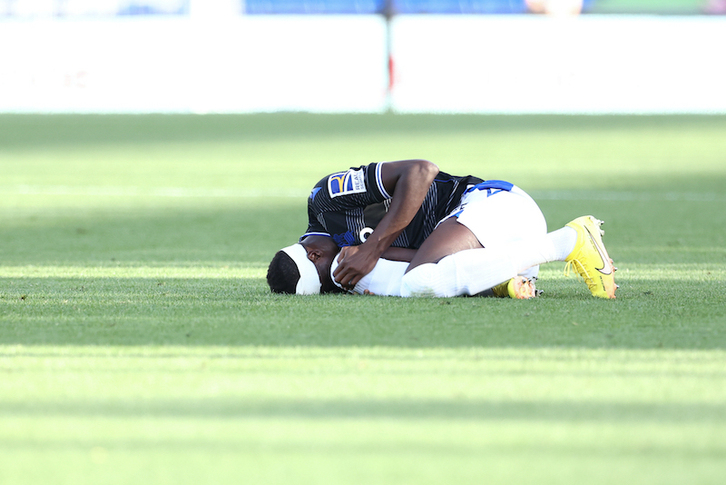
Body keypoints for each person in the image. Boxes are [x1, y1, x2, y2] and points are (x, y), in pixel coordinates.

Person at [266, 159, 617, 299]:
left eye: (330, 277)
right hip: (498, 245)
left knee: (419, 281)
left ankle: (569, 239)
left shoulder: (326, 198)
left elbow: (421, 170)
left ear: (314, 253)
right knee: (419, 280)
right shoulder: (347, 260)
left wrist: (372, 251)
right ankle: (498, 282)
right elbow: (423, 257)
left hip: (497, 206)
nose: (340, 281)